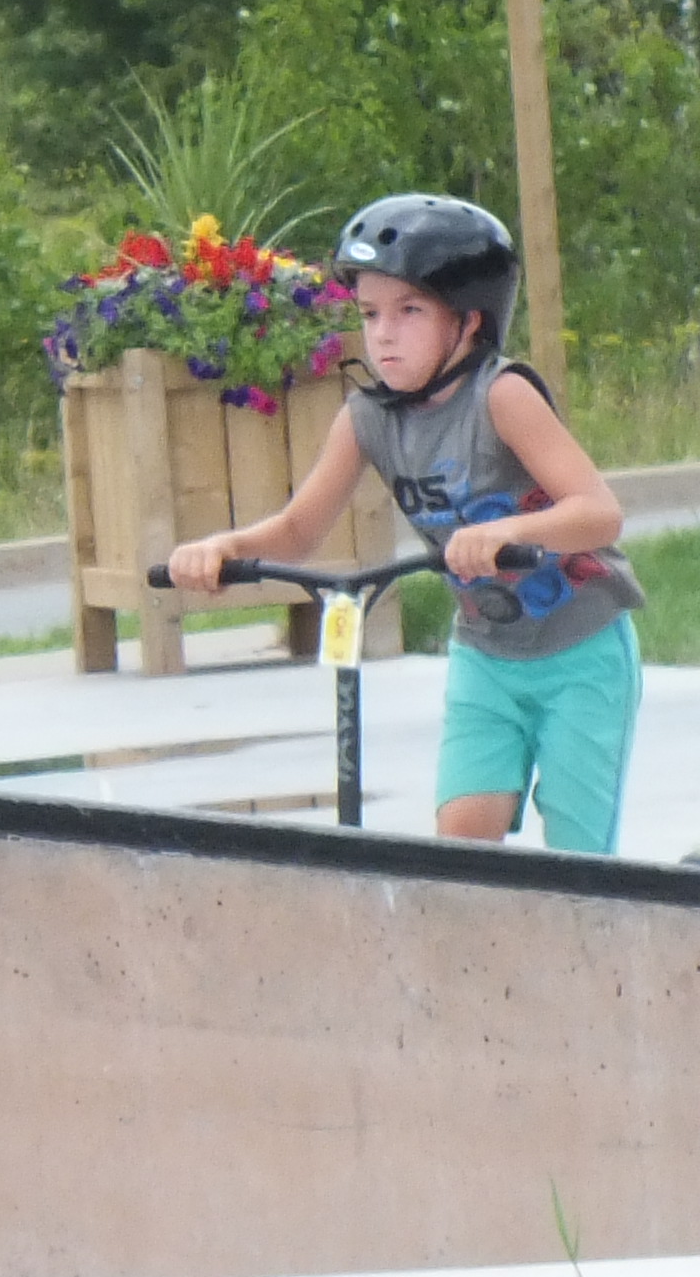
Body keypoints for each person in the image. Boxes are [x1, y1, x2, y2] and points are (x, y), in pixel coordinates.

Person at [167, 194, 643, 852]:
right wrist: (225, 548)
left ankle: (677, 895)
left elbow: (599, 514)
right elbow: (299, 528)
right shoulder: (367, 418)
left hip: (581, 652)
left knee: (580, 859)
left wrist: (510, 534)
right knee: (460, 843)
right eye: (369, 314)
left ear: (469, 323)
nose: (383, 332)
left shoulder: (502, 396)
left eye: (409, 310)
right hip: (487, 657)